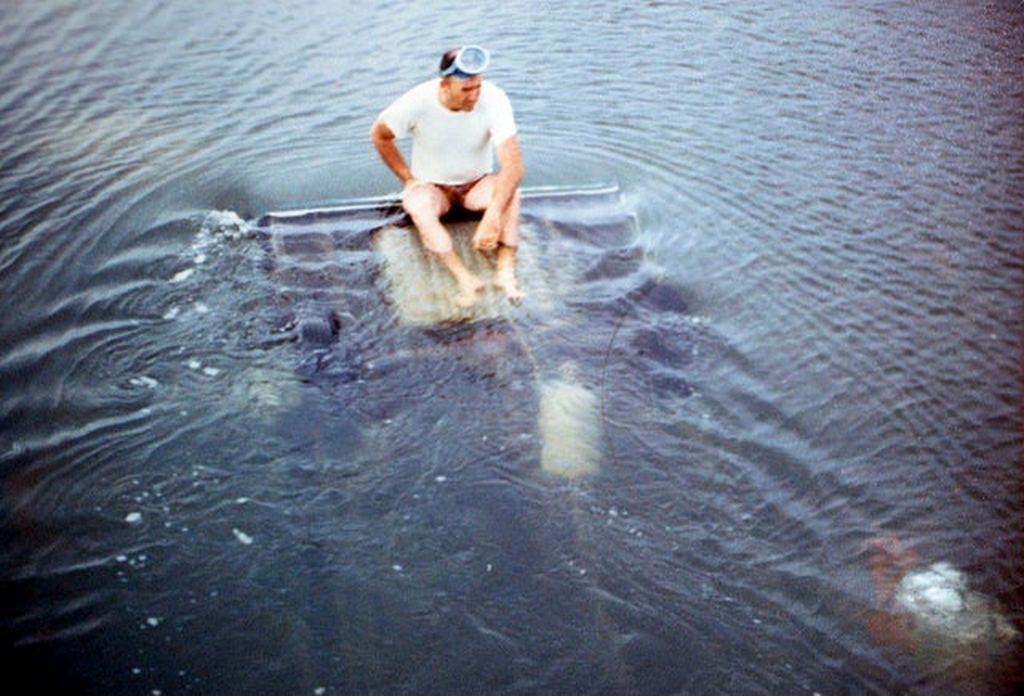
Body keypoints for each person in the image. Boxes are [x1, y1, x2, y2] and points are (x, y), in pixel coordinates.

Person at [369, 46, 525, 308]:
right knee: (417, 204)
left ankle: (505, 271)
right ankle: (465, 278)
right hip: (433, 187)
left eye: (477, 87)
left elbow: (514, 165)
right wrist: (407, 178)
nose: (474, 95)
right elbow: (379, 135)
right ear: (444, 84)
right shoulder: (418, 100)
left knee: (512, 191)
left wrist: (493, 216)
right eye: (465, 90)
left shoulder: (495, 99)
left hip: (476, 184)